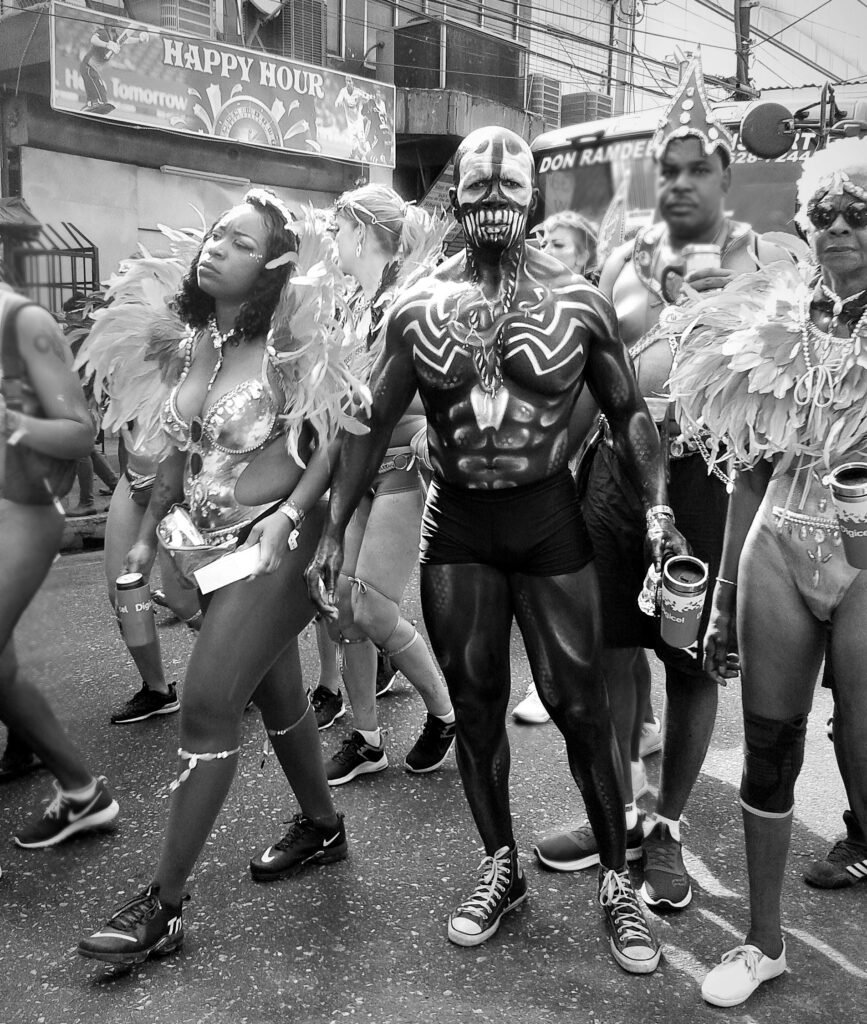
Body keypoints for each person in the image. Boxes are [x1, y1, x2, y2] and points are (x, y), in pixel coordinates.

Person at [307, 125, 687, 974]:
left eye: (505, 187)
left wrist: (658, 511)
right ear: (455, 198)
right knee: (477, 707)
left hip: (549, 517)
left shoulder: (579, 300)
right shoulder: (416, 307)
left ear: (529, 198)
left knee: (577, 703)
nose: (490, 201)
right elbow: (366, 426)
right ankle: (500, 865)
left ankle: (617, 881)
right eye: (474, 188)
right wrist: (332, 526)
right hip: (460, 527)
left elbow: (627, 412)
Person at [78, 189, 361, 967]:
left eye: (237, 242)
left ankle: (162, 908)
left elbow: (332, 436)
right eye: (214, 236)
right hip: (207, 547)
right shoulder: (204, 339)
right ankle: (324, 828)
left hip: (276, 545)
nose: (214, 248)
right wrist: (146, 539)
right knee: (275, 693)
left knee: (206, 705)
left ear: (271, 265)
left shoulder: (291, 343)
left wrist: (294, 515)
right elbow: (181, 446)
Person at [533, 54, 791, 906]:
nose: (678, 183)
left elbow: (773, 396)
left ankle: (666, 826)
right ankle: (617, 820)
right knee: (607, 654)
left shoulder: (761, 266)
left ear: (724, 174)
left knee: (688, 662)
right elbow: (590, 382)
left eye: (696, 169)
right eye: (666, 170)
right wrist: (544, 465)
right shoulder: (621, 260)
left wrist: (730, 306)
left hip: (707, 484)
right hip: (612, 476)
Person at [668, 136, 867, 1006]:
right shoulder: (771, 319)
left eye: (857, 212)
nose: (837, 229)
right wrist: (717, 598)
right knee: (768, 747)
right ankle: (761, 941)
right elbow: (745, 468)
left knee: (863, 739)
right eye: (823, 212)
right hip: (776, 546)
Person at [312, 184, 455, 783]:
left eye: (338, 232)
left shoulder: (414, 301)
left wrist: (435, 435)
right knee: (343, 607)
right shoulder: (355, 305)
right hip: (357, 471)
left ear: (364, 233)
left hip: (402, 469)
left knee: (371, 606)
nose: (332, 244)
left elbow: (448, 382)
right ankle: (367, 739)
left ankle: (446, 714)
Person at [0, 281, 120, 849]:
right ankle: (80, 793)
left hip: (20, 514)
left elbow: (81, 432)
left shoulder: (23, 322)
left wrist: (14, 425)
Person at [335, 76, 372, 162]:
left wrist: (369, 98)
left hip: (358, 121)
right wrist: (338, 103)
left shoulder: (358, 92)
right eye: (346, 81)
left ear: (353, 83)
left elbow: (367, 96)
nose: (348, 83)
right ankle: (356, 155)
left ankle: (370, 154)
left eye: (349, 81)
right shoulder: (343, 91)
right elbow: (338, 101)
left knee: (362, 142)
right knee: (354, 142)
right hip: (350, 122)